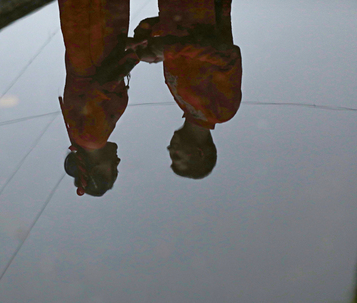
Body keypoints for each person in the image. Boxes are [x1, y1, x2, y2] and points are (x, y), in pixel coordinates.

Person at [131, 0, 242, 179]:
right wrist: (169, 48)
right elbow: (228, 56)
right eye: (177, 156)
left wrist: (145, 35)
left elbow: (176, 33)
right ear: (199, 153)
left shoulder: (185, 105)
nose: (170, 149)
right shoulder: (221, 111)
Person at [58, 0, 138, 196]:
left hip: (97, 47)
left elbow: (101, 86)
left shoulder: (93, 138)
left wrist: (133, 58)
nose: (118, 162)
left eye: (113, 170)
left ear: (94, 169)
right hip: (90, 49)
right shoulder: (83, 136)